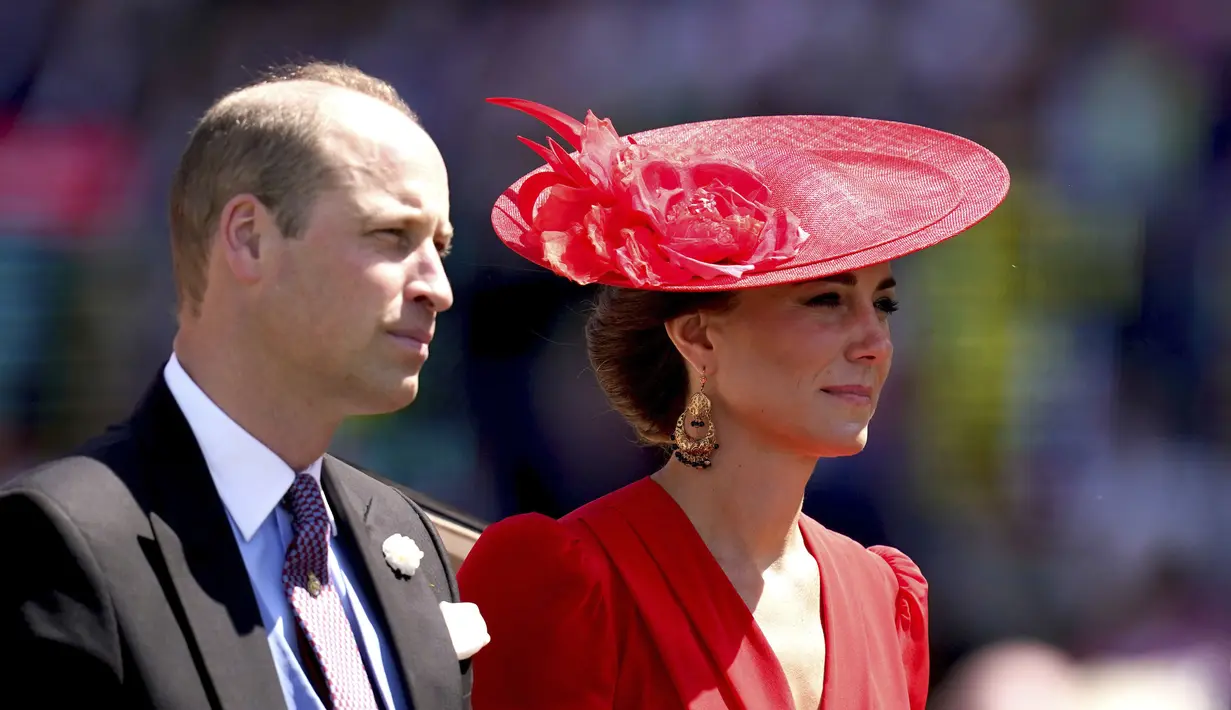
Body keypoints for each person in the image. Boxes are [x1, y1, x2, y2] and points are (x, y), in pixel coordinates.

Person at [457, 98, 1011, 709]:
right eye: (826, 300)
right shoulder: (568, 578)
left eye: (884, 304)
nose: (875, 343)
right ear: (697, 336)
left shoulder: (884, 594)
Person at [0, 61, 484, 709]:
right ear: (249, 239)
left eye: (439, 246)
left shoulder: (405, 536)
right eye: (391, 236)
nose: (437, 288)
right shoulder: (60, 539)